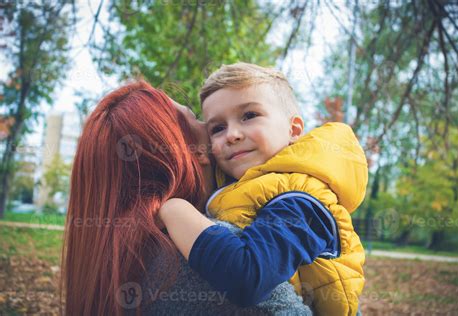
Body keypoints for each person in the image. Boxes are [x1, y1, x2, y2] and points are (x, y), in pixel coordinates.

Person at [60, 80, 312, 315]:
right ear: (196, 151)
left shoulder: (112, 264)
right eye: (210, 125)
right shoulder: (215, 253)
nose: (229, 136)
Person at [158, 63, 368, 315]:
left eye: (249, 115)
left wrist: (173, 209)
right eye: (217, 128)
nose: (232, 134)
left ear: (294, 130)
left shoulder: (301, 199)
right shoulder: (239, 191)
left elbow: (246, 277)